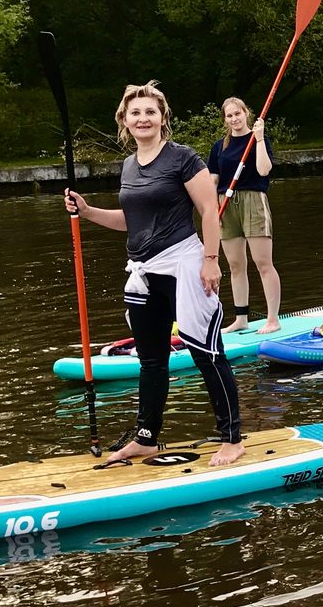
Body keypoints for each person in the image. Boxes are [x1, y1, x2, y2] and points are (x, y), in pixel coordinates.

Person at [64, 81, 244, 467]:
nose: (143, 118)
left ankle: (232, 439)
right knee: (151, 361)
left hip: (185, 265)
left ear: (163, 118)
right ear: (124, 121)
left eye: (150, 112)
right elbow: (131, 220)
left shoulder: (183, 158)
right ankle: (146, 437)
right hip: (143, 272)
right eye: (135, 113)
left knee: (208, 354)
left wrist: (211, 259)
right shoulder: (129, 165)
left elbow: (210, 211)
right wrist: (87, 210)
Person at [208, 97, 280, 333]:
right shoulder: (220, 147)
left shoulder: (258, 140)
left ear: (245, 113)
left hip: (253, 200)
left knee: (263, 263)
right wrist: (211, 209)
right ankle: (241, 318)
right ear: (225, 120)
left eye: (237, 114)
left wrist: (259, 139)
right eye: (229, 116)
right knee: (236, 265)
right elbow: (213, 179)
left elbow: (263, 170)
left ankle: (272, 319)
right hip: (225, 203)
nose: (234, 119)